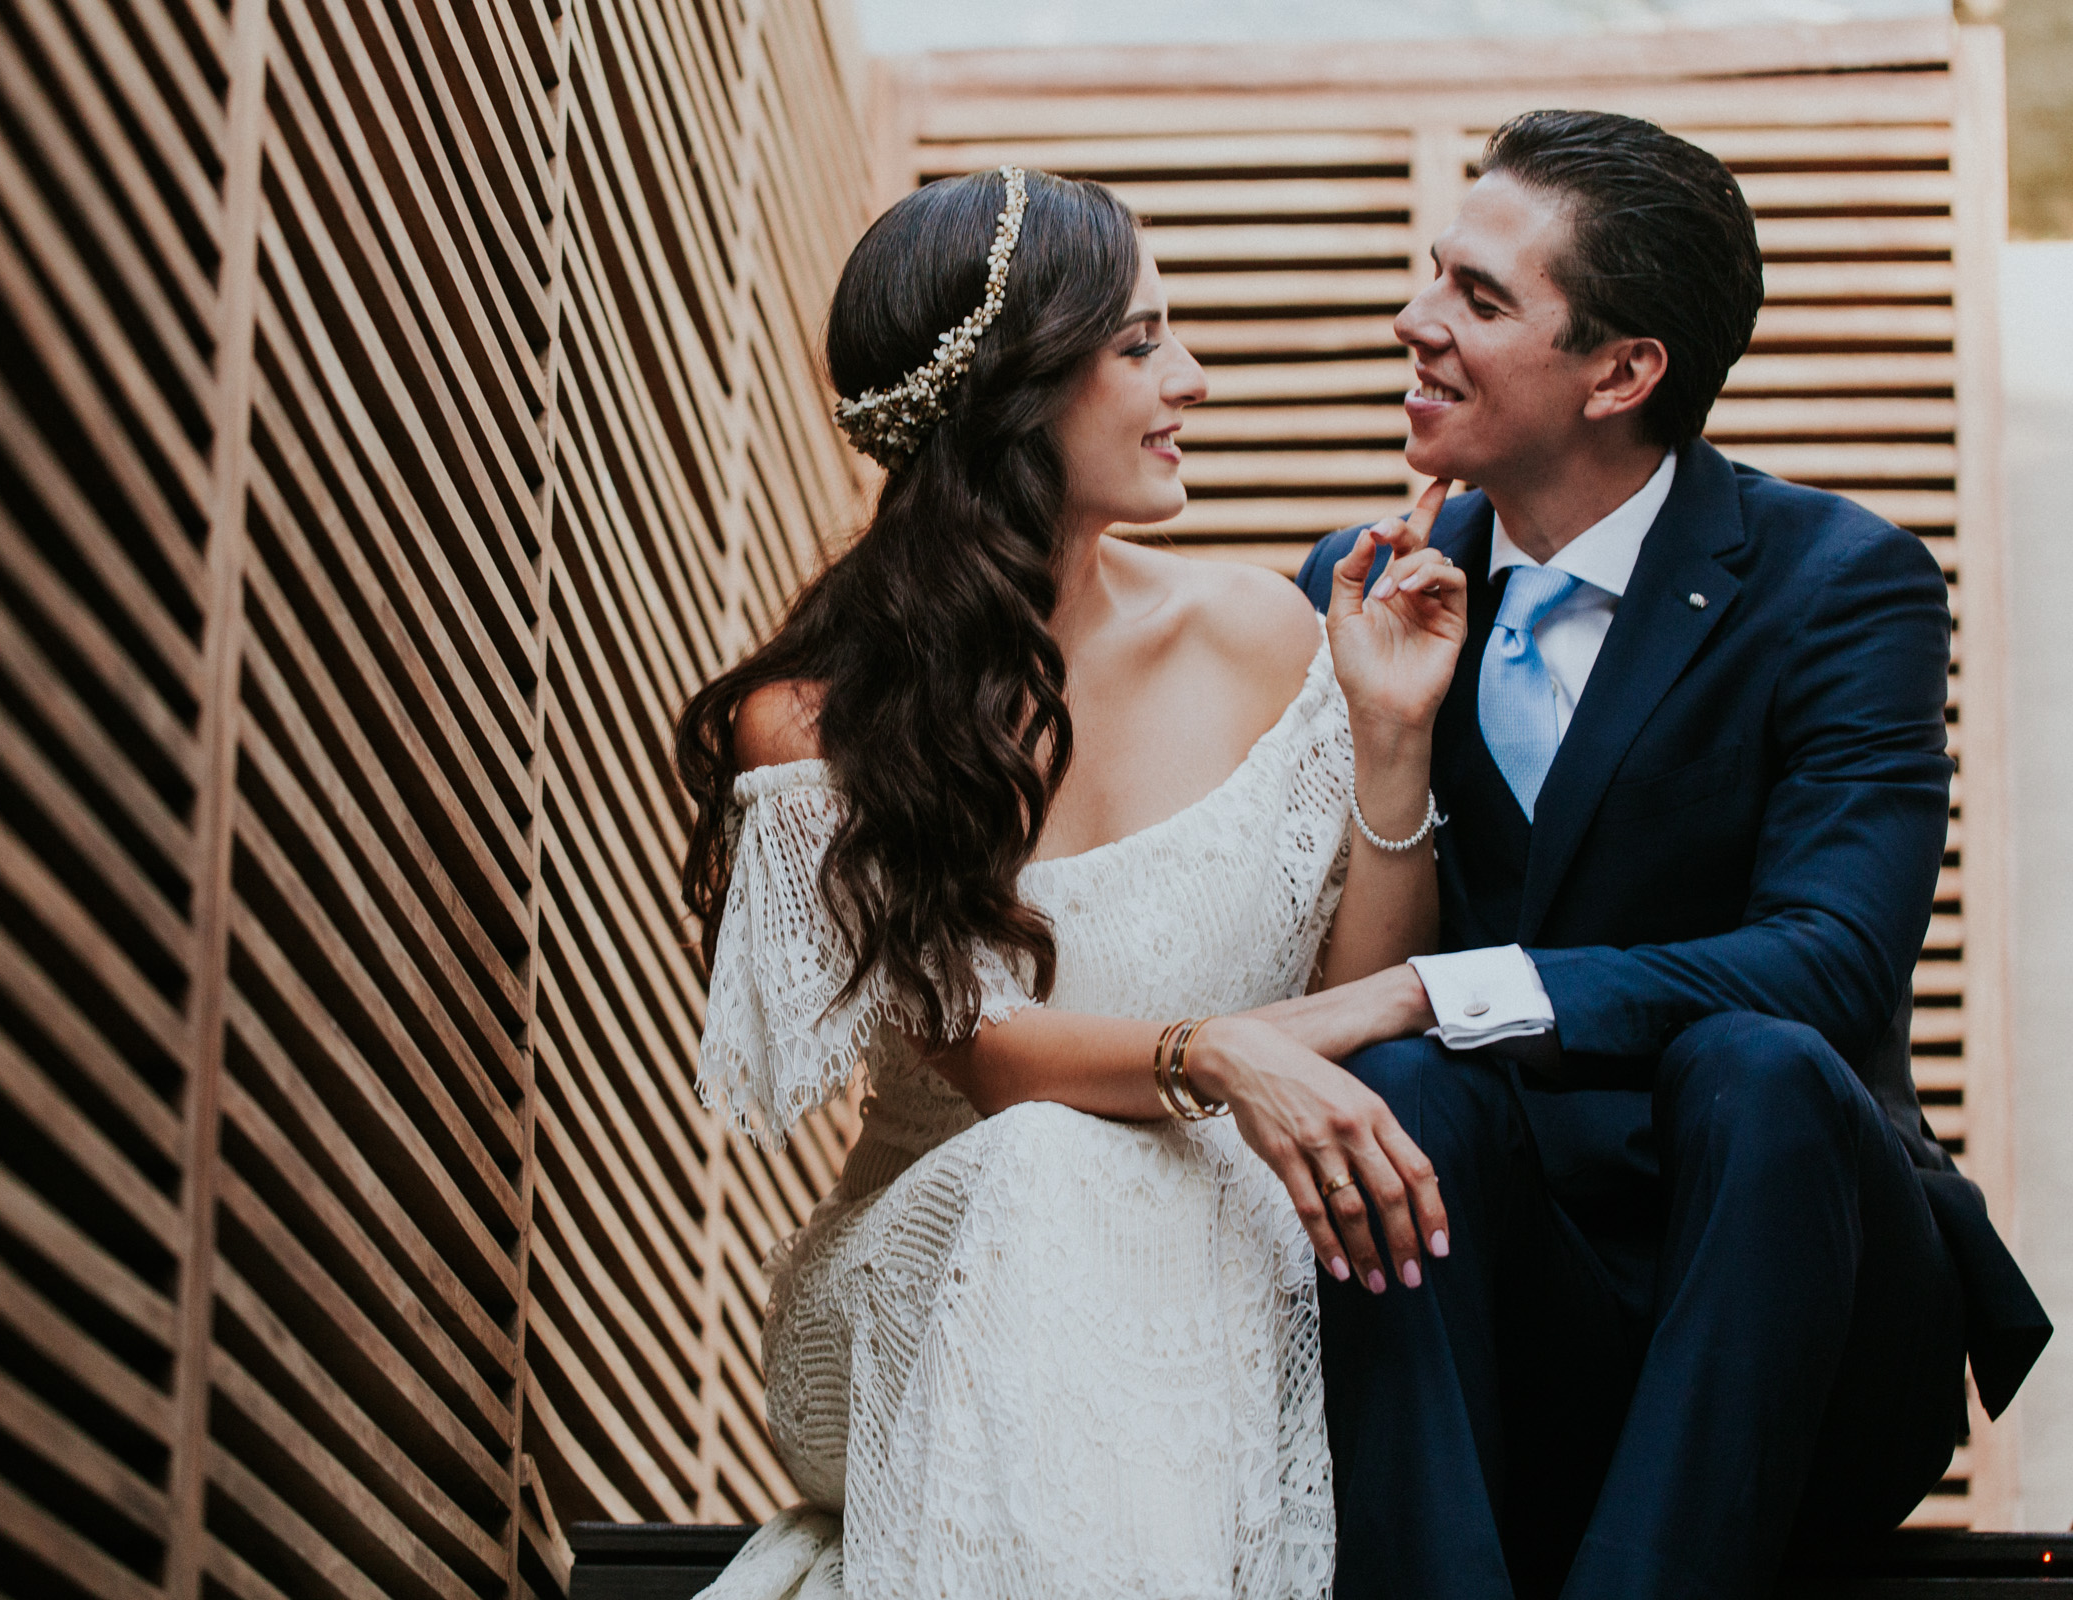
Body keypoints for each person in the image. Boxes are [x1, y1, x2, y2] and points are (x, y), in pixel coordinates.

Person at [1279, 110, 2052, 1598]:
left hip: (1797, 1319)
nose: (1413, 319)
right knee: (1399, 1088)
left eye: (1480, 299)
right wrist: (1386, 742)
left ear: (1625, 373)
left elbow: (1830, 964)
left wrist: (1445, 991)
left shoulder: (1842, 584)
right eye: (1437, 272)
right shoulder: (1358, 585)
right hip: (1503, 1322)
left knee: (1754, 1061)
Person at [676, 165, 1467, 1599]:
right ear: (1018, 389)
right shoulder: (814, 720)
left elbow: (1361, 1004)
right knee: (1055, 1164)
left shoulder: (1256, 629)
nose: (1196, 380)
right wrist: (1206, 1048)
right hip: (943, 1264)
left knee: (1177, 1212)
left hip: (1232, 1264)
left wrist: (1392, 737)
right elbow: (979, 1060)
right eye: (1142, 343)